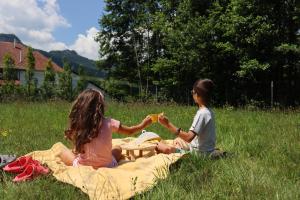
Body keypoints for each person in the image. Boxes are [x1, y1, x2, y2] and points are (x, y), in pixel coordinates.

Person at [59, 89, 152, 169]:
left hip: (83, 166)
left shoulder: (79, 124)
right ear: (101, 107)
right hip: (108, 165)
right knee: (118, 149)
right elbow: (130, 131)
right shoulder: (110, 122)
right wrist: (143, 124)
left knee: (63, 151)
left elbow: (76, 145)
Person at [156, 79, 224, 158]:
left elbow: (188, 138)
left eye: (192, 92)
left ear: (197, 94)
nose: (192, 95)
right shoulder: (209, 111)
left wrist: (167, 124)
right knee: (179, 140)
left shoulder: (202, 113)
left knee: (162, 147)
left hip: (199, 154)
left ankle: (181, 151)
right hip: (206, 150)